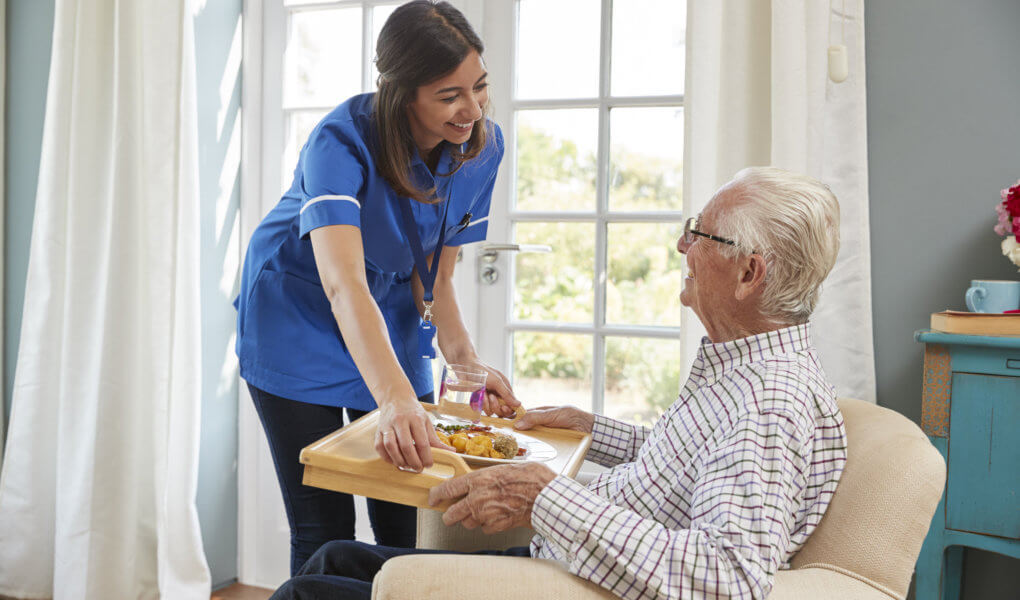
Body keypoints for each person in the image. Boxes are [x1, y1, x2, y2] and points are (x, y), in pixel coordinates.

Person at [268, 167, 849, 600]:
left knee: (306, 593)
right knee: (332, 558)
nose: (683, 247)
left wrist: (544, 497)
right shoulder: (745, 370)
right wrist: (596, 428)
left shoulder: (769, 404)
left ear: (750, 273)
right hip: (569, 559)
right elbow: (701, 465)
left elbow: (729, 577)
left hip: (575, 584)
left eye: (702, 234)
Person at [234, 0, 518, 576]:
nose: (472, 109)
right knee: (323, 524)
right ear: (402, 91)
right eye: (449, 95)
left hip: (385, 308)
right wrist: (394, 396)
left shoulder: (481, 148)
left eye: (479, 87)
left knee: (407, 507)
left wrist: (466, 364)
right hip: (299, 308)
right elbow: (343, 285)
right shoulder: (340, 140)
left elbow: (435, 273)